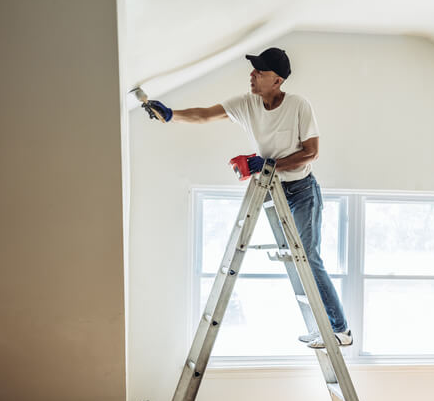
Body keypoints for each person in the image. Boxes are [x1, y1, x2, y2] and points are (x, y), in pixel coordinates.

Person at [142, 47, 352, 349]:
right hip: (273, 189)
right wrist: (172, 115)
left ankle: (340, 330)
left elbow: (311, 153)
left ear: (277, 80)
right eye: (253, 70)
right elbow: (204, 115)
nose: (252, 76)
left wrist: (268, 165)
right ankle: (323, 329)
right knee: (295, 260)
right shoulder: (246, 104)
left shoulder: (298, 106)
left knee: (308, 257)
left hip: (302, 190)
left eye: (259, 72)